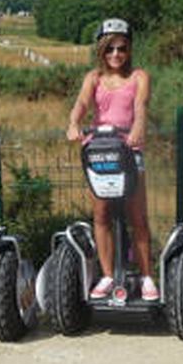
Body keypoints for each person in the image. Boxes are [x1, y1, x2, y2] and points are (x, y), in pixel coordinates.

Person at [66, 18, 158, 301]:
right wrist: (73, 123)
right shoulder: (94, 78)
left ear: (129, 49)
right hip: (100, 150)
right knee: (102, 213)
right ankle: (107, 275)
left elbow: (141, 105)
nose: (116, 54)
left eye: (121, 48)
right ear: (101, 50)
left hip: (129, 149)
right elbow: (82, 103)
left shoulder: (139, 76)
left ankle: (146, 276)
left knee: (137, 215)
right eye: (110, 49)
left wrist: (138, 128)